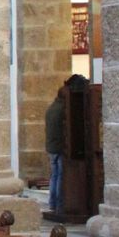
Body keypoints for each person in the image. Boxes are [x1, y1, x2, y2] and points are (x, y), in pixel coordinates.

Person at [45, 84, 67, 215]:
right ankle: (59, 204)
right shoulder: (62, 109)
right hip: (59, 147)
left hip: (51, 147)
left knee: (54, 175)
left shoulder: (51, 107)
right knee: (60, 176)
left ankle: (52, 203)